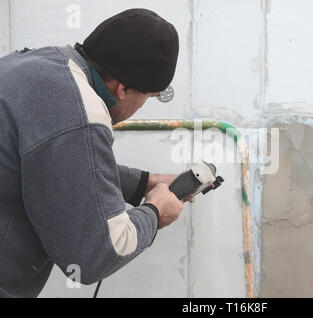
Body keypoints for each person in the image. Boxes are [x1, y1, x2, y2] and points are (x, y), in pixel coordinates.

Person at [0, 8, 187, 297]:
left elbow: (47, 159)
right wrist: (155, 212)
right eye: (146, 98)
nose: (140, 107)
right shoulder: (79, 111)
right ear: (123, 89)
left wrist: (143, 183)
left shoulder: (36, 64)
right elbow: (96, 254)